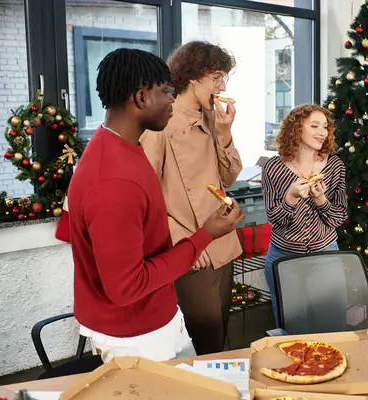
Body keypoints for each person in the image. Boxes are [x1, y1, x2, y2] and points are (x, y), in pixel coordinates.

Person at [67, 48, 244, 362]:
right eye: (166, 92)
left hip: (155, 315)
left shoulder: (122, 145)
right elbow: (127, 287)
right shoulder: (112, 180)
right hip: (136, 335)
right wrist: (203, 236)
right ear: (141, 98)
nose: (172, 102)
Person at [140, 41, 242, 355]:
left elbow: (229, 176)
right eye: (217, 77)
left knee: (219, 333)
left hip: (221, 242)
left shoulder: (212, 117)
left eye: (225, 78)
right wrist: (182, 240)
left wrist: (225, 133)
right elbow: (144, 192)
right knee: (206, 338)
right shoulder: (161, 122)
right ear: (193, 77)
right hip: (190, 250)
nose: (222, 86)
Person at [262, 104, 348, 329]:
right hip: (284, 260)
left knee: (333, 326)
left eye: (326, 127)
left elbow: (338, 218)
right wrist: (290, 197)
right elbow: (276, 221)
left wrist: (321, 200)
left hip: (325, 258)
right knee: (292, 330)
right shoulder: (273, 168)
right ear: (296, 129)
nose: (323, 132)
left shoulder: (334, 166)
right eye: (315, 126)